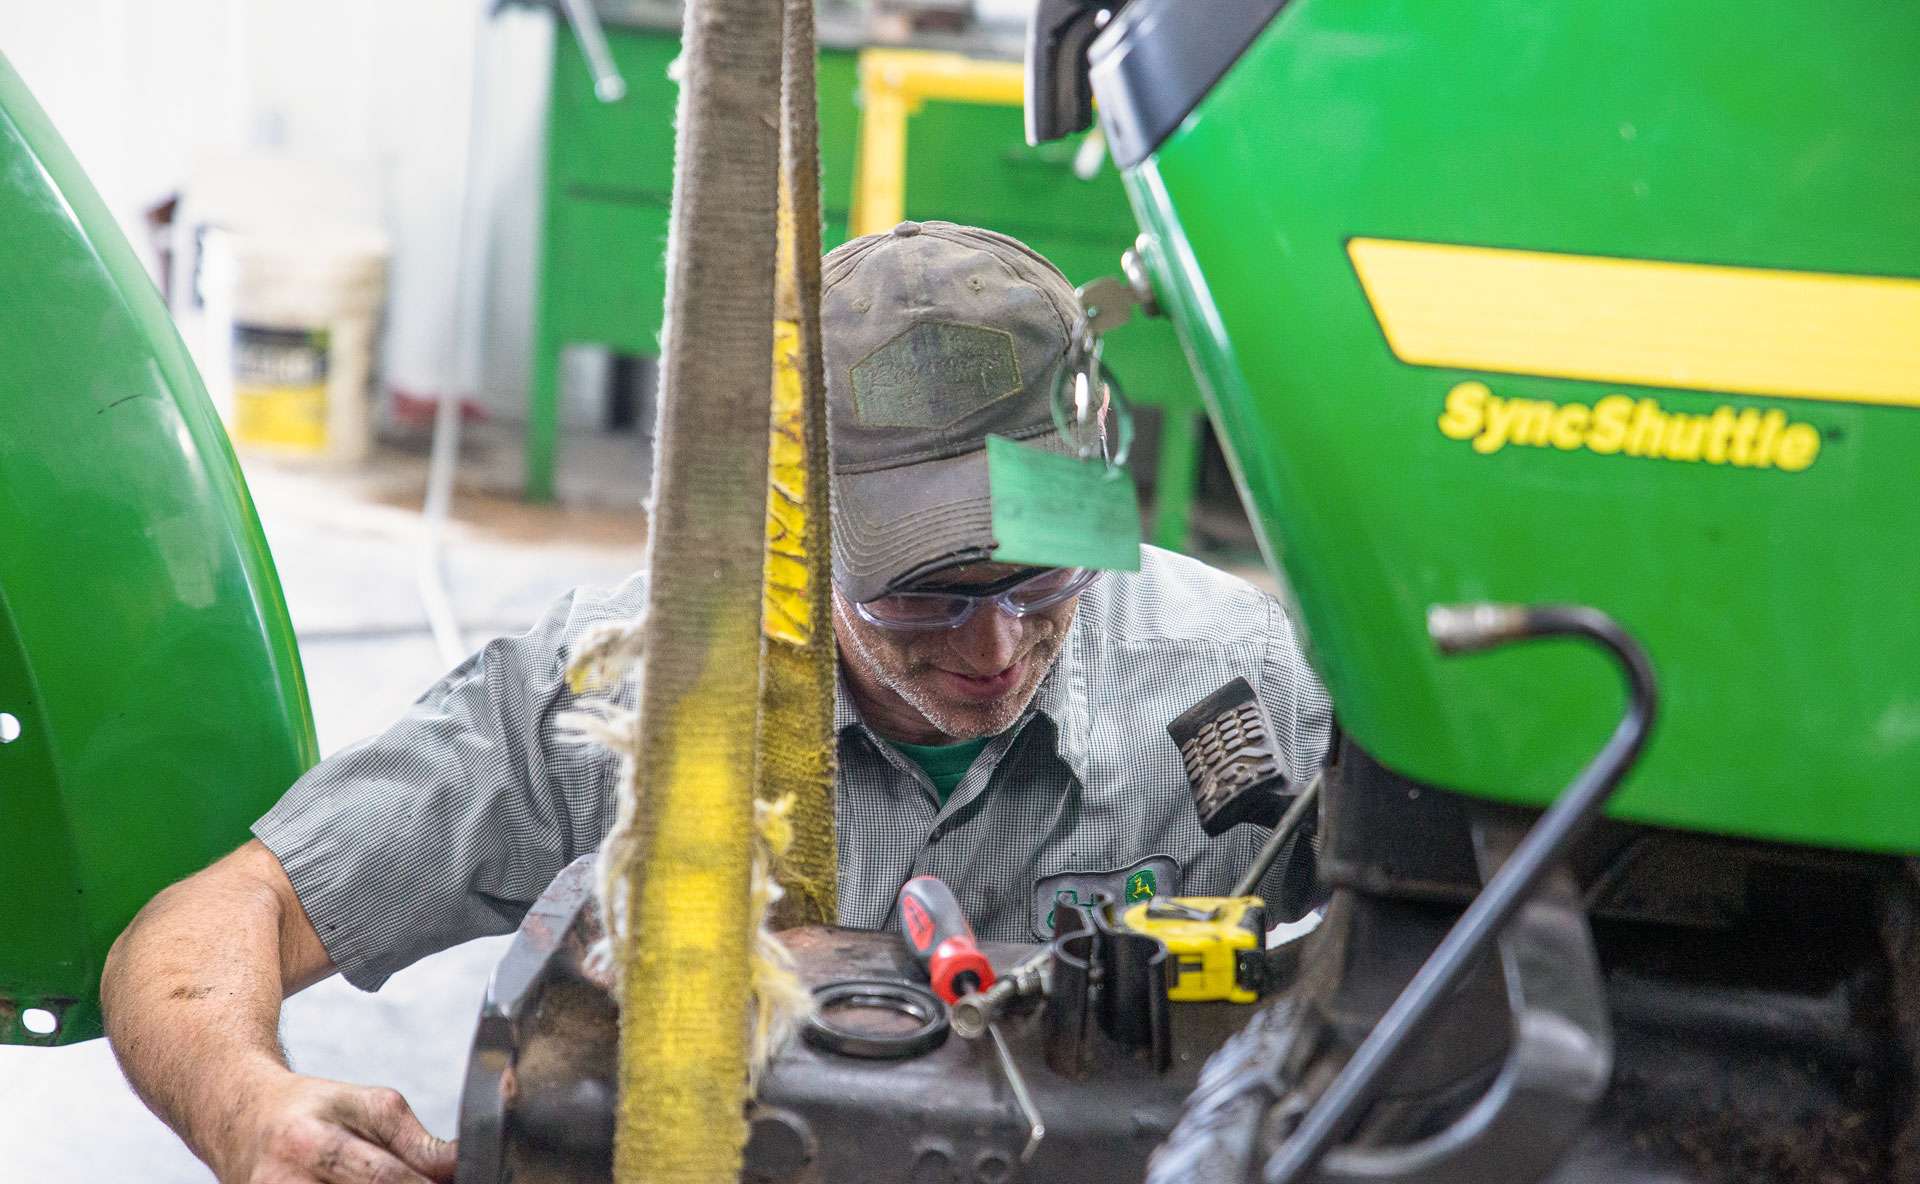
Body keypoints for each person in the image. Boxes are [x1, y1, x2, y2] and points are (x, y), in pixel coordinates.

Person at [100, 221, 1333, 1184]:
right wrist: (251, 1103)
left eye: (1043, 573)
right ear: (790, 533)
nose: (998, 641)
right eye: (922, 595)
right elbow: (214, 918)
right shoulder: (619, 698)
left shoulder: (1234, 671)